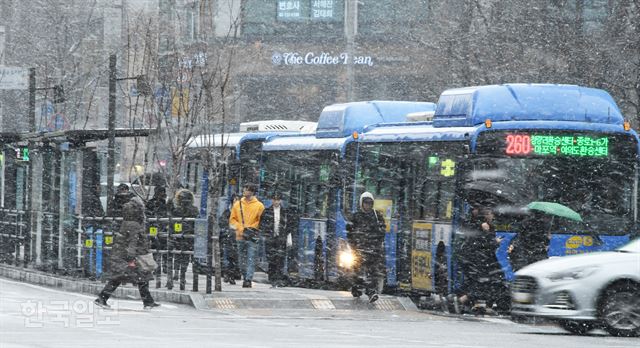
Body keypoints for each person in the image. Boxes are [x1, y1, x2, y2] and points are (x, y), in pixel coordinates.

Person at [94, 196, 160, 309]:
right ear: (139, 210)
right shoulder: (134, 225)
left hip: (122, 254)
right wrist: (131, 258)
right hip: (130, 256)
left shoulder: (127, 222)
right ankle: (102, 298)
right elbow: (132, 243)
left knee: (134, 277)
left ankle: (148, 301)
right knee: (131, 277)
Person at [458, 207, 509, 314]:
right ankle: (465, 300)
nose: (492, 216)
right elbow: (481, 243)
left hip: (484, 259)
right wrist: (495, 242)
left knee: (487, 282)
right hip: (480, 259)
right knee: (487, 281)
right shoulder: (480, 226)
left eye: (491, 214)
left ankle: (479, 304)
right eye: (489, 214)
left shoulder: (488, 226)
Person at [347, 192, 386, 303]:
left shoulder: (377, 216)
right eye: (365, 203)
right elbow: (349, 231)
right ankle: (357, 288)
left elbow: (382, 231)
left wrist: (377, 243)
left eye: (370, 203)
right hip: (358, 249)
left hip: (373, 250)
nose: (368, 205)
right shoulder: (356, 216)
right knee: (358, 271)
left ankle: (371, 292)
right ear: (361, 203)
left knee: (372, 272)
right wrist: (354, 244)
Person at [229, 184, 265, 288]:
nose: (244, 192)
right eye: (244, 189)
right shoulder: (237, 204)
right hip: (240, 236)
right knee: (241, 260)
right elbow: (232, 220)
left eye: (246, 190)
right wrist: (241, 228)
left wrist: (252, 228)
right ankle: (245, 276)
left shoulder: (259, 206)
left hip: (252, 236)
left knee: (250, 258)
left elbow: (261, 221)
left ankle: (248, 279)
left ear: (252, 192)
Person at [171, 189, 199, 290]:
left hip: (179, 235)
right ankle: (183, 274)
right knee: (186, 256)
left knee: (177, 254)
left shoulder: (176, 210)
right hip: (189, 236)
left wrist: (176, 232)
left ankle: (176, 272)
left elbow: (173, 223)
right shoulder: (194, 210)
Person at [260, 193, 291, 287]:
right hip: (270, 237)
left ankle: (278, 277)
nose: (276, 201)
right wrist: (266, 233)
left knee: (280, 258)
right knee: (271, 257)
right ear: (272, 200)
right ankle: (272, 276)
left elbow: (289, 224)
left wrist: (286, 234)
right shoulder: (267, 211)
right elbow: (262, 223)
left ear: (280, 201)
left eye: (278, 200)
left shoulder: (285, 212)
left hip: (281, 238)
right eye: (274, 199)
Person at [146, 186, 169, 274]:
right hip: (158, 227)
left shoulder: (162, 202)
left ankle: (160, 266)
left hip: (158, 227)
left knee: (158, 246)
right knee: (158, 246)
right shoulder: (157, 203)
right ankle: (160, 266)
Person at [219, 194, 241, 284]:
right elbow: (222, 223)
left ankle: (231, 275)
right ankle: (228, 274)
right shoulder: (227, 212)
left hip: (237, 237)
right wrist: (228, 231)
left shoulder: (241, 213)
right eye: (235, 200)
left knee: (234, 258)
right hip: (228, 238)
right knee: (228, 257)